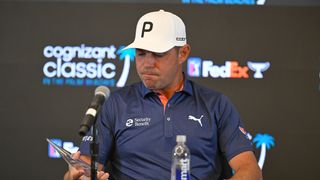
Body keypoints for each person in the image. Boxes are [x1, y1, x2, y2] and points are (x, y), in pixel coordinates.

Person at [64, 9, 262, 180]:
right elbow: (84, 168)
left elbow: (250, 169)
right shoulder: (116, 105)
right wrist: (76, 176)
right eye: (141, 53)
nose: (148, 63)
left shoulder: (216, 104)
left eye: (158, 53)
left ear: (182, 53)